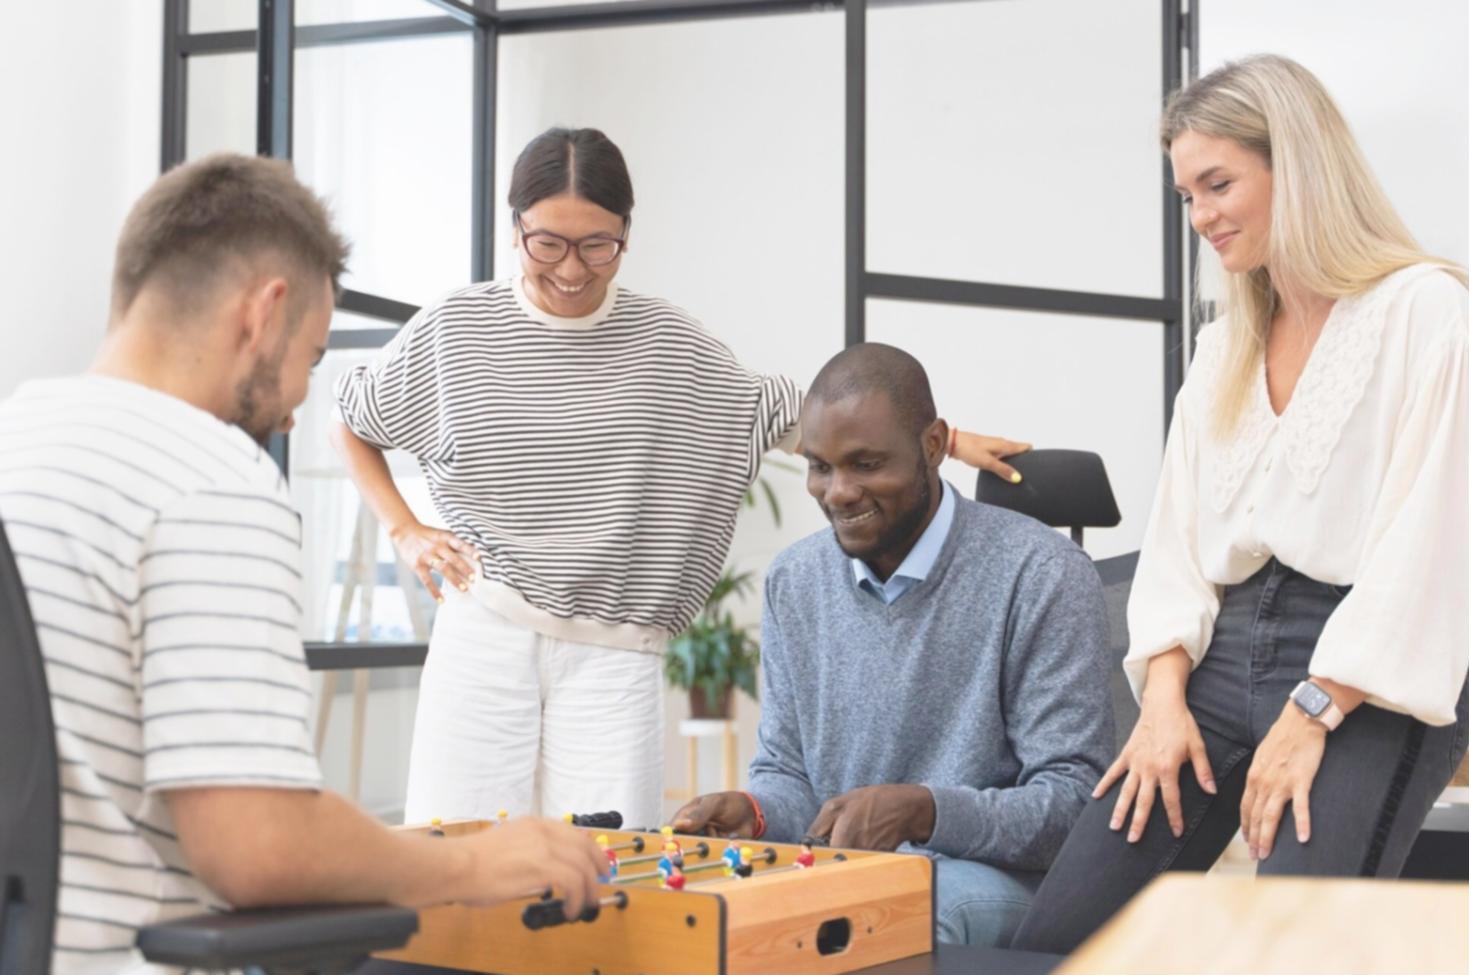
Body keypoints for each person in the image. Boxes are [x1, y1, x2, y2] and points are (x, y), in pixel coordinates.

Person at [0, 154, 605, 972]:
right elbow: (255, 844)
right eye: (312, 359)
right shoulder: (209, 479)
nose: (292, 411)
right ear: (263, 313)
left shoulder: (17, 440)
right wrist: (471, 864)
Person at [329, 127, 1028, 828]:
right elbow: (352, 419)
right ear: (515, 229)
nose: (572, 269)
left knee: (606, 884)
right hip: (482, 631)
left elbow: (798, 418)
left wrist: (951, 440)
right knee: (453, 863)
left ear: (625, 235)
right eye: (548, 242)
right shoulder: (456, 329)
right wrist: (406, 529)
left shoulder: (668, 344)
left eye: (597, 244)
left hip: (614, 653)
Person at [1013, 54, 1469, 954]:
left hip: (1363, 680)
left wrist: (1312, 710)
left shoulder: (1428, 312)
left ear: (1298, 164)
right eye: (1185, 196)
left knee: (1290, 947)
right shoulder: (1224, 342)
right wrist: (1160, 701)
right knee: (1056, 941)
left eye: (1217, 184)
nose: (1200, 217)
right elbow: (1176, 543)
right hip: (1211, 662)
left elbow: (1425, 553)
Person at [669, 343, 1113, 947]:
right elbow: (790, 775)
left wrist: (925, 811)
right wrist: (756, 812)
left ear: (933, 446)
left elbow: (1072, 808)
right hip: (852, 876)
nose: (839, 491)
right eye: (819, 466)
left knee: (895, 921)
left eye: (866, 464)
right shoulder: (794, 581)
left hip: (996, 880)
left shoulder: (1043, 574)